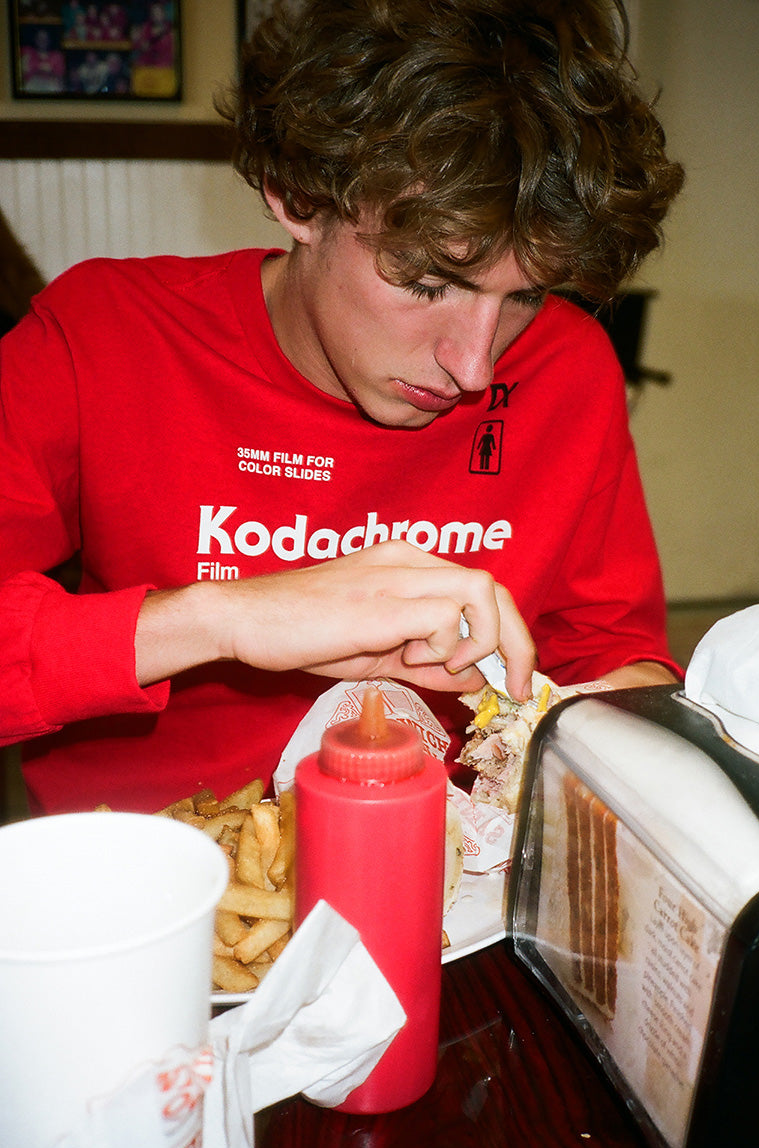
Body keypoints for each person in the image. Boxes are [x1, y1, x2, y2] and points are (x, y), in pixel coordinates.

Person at [0, 0, 684, 816]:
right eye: (429, 282)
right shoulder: (99, 336)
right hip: (151, 867)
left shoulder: (567, 366)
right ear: (297, 194)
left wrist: (627, 714)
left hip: (451, 868)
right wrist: (222, 616)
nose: (474, 367)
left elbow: (612, 647)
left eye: (525, 295)